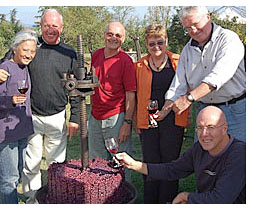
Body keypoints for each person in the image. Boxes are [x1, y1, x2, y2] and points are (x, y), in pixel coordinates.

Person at [116, 106, 246, 204]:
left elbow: (220, 200)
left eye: (211, 127)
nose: (204, 134)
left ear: (224, 129)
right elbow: (173, 170)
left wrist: (186, 196)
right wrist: (134, 165)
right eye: (200, 128)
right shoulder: (199, 149)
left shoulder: (239, 154)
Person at [19, 9, 80, 203]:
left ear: (61, 28)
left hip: (57, 116)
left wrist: (75, 118)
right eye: (46, 25)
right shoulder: (31, 47)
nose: (50, 29)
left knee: (56, 164)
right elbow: (10, 59)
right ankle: (32, 200)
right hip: (32, 116)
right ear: (40, 26)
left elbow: (77, 88)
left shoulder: (69, 53)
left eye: (54, 26)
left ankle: (55, 199)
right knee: (31, 164)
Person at [162, 6, 246, 142]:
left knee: (238, 157)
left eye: (195, 24)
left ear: (208, 17)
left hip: (235, 110)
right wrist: (165, 109)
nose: (193, 31)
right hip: (204, 109)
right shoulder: (187, 51)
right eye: (188, 28)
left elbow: (219, 76)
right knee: (204, 158)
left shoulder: (229, 39)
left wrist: (188, 99)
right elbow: (178, 84)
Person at [134, 23, 190, 203]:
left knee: (171, 162)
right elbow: (134, 96)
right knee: (150, 162)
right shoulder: (139, 65)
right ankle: (150, 201)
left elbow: (187, 88)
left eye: (160, 42)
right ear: (146, 44)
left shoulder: (178, 61)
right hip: (148, 119)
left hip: (173, 120)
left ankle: (168, 201)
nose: (156, 47)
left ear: (166, 41)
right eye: (152, 44)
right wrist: (136, 120)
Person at [88, 22, 136, 182]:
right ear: (104, 35)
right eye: (110, 34)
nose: (113, 38)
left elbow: (130, 95)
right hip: (95, 116)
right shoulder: (96, 55)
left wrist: (127, 123)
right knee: (97, 162)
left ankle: (123, 196)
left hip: (115, 118)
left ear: (123, 39)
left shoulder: (125, 61)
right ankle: (100, 195)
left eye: (118, 35)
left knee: (119, 161)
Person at [0, 30, 37, 204]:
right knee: (9, 179)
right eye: (25, 50)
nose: (29, 55)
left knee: (18, 172)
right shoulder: (5, 69)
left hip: (22, 129)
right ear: (15, 48)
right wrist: (11, 100)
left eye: (32, 51)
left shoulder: (24, 68)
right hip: (7, 133)